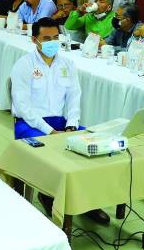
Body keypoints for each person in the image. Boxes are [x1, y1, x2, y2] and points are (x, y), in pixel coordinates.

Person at [9, 17, 111, 225]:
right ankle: (49, 195)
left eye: (56, 37)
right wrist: (50, 132)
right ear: (34, 40)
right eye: (46, 38)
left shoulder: (67, 64)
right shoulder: (23, 65)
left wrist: (72, 126)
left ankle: (88, 202)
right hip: (30, 124)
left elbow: (74, 97)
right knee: (56, 152)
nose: (52, 42)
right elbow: (23, 107)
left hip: (61, 123)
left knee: (94, 147)